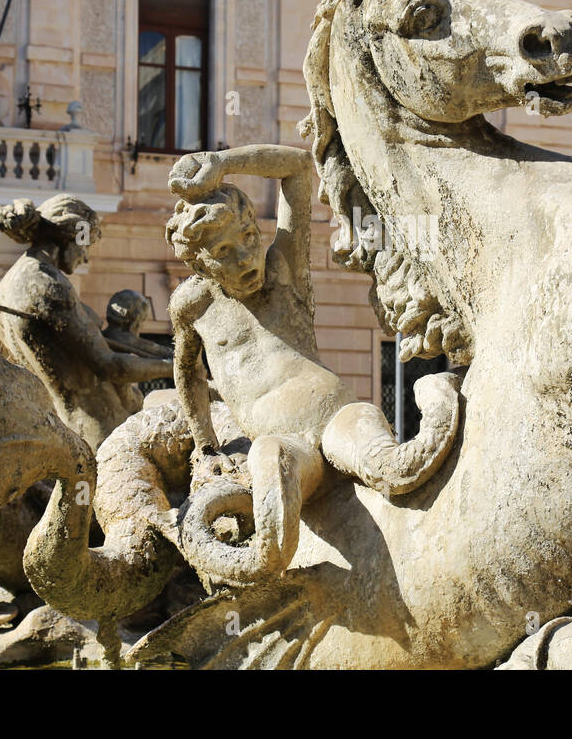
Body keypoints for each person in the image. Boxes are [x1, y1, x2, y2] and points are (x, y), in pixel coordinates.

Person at [168, 145, 461, 586]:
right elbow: (188, 370)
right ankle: (257, 564)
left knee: (393, 468)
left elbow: (299, 169)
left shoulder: (284, 269)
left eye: (249, 238)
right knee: (269, 471)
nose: (245, 258)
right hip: (284, 442)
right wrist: (204, 443)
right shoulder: (190, 307)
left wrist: (225, 163)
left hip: (338, 416)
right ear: (198, 263)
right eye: (223, 251)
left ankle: (440, 397)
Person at [0, 195, 174, 450]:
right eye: (85, 245)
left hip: (60, 430)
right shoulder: (48, 284)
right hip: (103, 430)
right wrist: (175, 367)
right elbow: (110, 367)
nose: (85, 258)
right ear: (69, 236)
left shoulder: (5, 286)